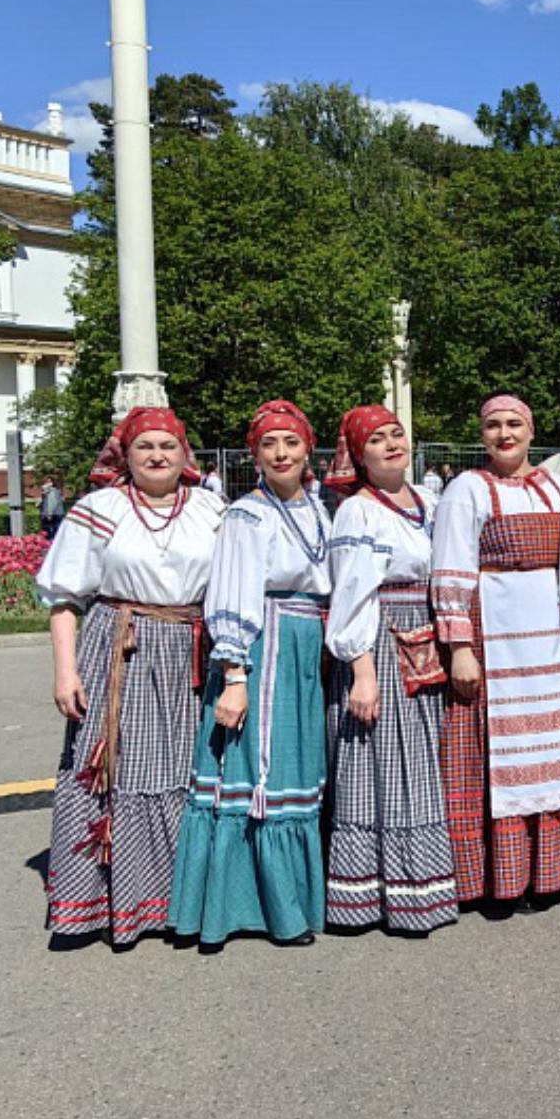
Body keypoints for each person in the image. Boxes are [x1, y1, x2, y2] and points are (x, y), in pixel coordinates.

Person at [35, 407, 225, 947]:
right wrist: (65, 670)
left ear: (184, 452)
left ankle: (179, 898)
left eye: (168, 445)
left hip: (191, 647)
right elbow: (65, 598)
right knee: (116, 769)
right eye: (146, 447)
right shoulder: (100, 509)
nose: (158, 456)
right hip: (121, 647)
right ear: (126, 455)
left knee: (188, 770)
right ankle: (112, 901)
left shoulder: (212, 508)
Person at [169, 400, 331, 947]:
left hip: (303, 647)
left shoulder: (317, 507)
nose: (281, 454)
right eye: (269, 445)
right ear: (254, 454)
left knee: (295, 772)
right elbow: (233, 593)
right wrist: (235, 675)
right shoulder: (246, 514)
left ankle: (293, 901)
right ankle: (264, 909)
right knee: (262, 772)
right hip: (265, 644)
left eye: (291, 442)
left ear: (308, 448)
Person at [431, 394, 560, 909]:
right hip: (494, 636)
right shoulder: (466, 489)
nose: (505, 434)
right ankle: (501, 878)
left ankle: (550, 874)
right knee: (497, 754)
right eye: (494, 425)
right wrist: (459, 648)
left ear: (530, 428)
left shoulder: (555, 485)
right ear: (482, 434)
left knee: (551, 753)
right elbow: (451, 571)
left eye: (514, 424)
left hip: (551, 637)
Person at [322, 405, 459, 935]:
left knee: (419, 759)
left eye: (396, 434)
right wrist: (362, 670)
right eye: (376, 440)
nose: (390, 445)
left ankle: (422, 884)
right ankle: (374, 891)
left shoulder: (427, 500)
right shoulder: (358, 511)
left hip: (423, 633)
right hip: (379, 639)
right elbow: (352, 591)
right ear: (359, 454)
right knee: (380, 760)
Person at [38, 473, 66, 541]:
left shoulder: (52, 491)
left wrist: (49, 513)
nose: (47, 484)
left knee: (51, 533)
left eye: (49, 482)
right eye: (46, 482)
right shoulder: (53, 491)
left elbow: (52, 503)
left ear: (53, 483)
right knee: (55, 532)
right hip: (57, 514)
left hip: (53, 515)